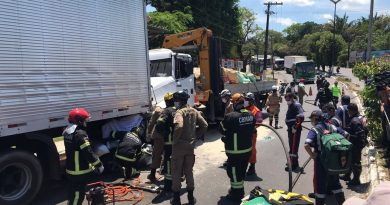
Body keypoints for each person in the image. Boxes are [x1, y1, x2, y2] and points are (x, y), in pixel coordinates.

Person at [170, 91, 208, 205]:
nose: (175, 102)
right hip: (190, 146)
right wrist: (196, 136)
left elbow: (179, 126)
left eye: (176, 100)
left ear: (180, 100)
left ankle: (176, 199)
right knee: (189, 171)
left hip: (179, 147)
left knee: (176, 172)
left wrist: (175, 140)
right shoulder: (194, 111)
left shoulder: (179, 112)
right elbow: (205, 125)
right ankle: (191, 198)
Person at [220, 93, 256, 202]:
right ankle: (239, 190)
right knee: (241, 172)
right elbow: (253, 129)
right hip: (247, 150)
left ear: (234, 103)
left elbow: (221, 129)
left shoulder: (230, 117)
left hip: (235, 151)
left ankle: (237, 194)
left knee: (234, 173)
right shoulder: (250, 114)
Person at [63, 108, 104, 205]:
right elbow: (88, 153)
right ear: (79, 120)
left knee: (72, 193)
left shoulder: (67, 132)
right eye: (85, 120)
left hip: (70, 169)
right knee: (78, 195)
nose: (86, 122)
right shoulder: (80, 135)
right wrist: (99, 165)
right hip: (79, 171)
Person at [304, 110, 345, 205]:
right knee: (335, 181)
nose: (311, 121)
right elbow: (346, 135)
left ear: (315, 119)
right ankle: (343, 203)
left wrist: (313, 155)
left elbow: (306, 145)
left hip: (321, 160)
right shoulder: (332, 127)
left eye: (312, 119)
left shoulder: (314, 130)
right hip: (333, 159)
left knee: (320, 183)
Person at [154, 92, 176, 193]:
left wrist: (165, 133)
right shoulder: (178, 110)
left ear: (166, 101)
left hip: (169, 142)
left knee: (168, 162)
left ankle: (168, 186)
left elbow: (159, 125)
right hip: (179, 141)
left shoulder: (166, 111)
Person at [343, 103, 367, 185]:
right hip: (358, 143)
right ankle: (347, 175)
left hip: (356, 144)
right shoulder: (360, 117)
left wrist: (348, 135)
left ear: (350, 110)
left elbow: (359, 135)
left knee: (355, 162)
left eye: (348, 111)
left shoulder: (355, 120)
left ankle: (356, 180)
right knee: (350, 159)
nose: (348, 113)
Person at [244, 92, 263, 175]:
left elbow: (259, 121)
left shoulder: (256, 110)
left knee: (251, 150)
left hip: (251, 133)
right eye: (245, 99)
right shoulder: (244, 108)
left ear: (251, 101)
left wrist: (251, 127)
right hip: (243, 133)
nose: (245, 101)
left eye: (247, 100)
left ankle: (252, 166)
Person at [285, 93, 304, 171]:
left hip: (295, 130)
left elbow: (301, 116)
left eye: (288, 99)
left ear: (292, 98)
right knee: (291, 146)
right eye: (286, 100)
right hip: (291, 129)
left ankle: (294, 165)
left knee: (293, 147)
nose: (287, 101)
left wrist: (295, 127)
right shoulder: (291, 104)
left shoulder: (297, 105)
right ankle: (291, 160)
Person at [147, 105, 165, 182]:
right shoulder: (176, 110)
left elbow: (151, 123)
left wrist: (149, 133)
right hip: (170, 136)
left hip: (159, 137)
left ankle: (152, 174)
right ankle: (165, 172)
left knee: (156, 154)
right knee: (168, 155)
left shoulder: (158, 111)